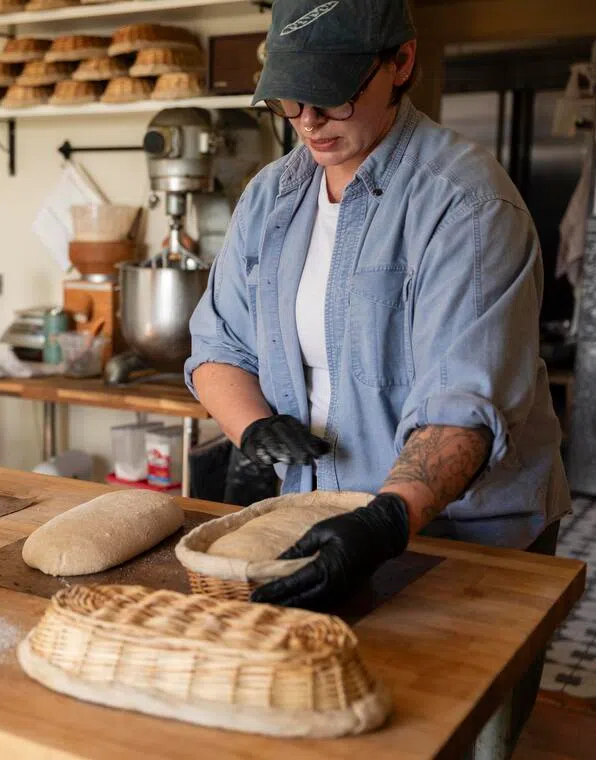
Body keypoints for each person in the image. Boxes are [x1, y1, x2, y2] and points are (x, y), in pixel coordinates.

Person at [186, 0, 570, 610]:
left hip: (465, 538)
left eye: (331, 96)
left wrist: (386, 521)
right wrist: (254, 426)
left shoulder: (467, 205)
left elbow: (463, 406)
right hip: (319, 520)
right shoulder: (270, 199)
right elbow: (217, 345)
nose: (308, 121)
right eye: (289, 100)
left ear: (401, 62)